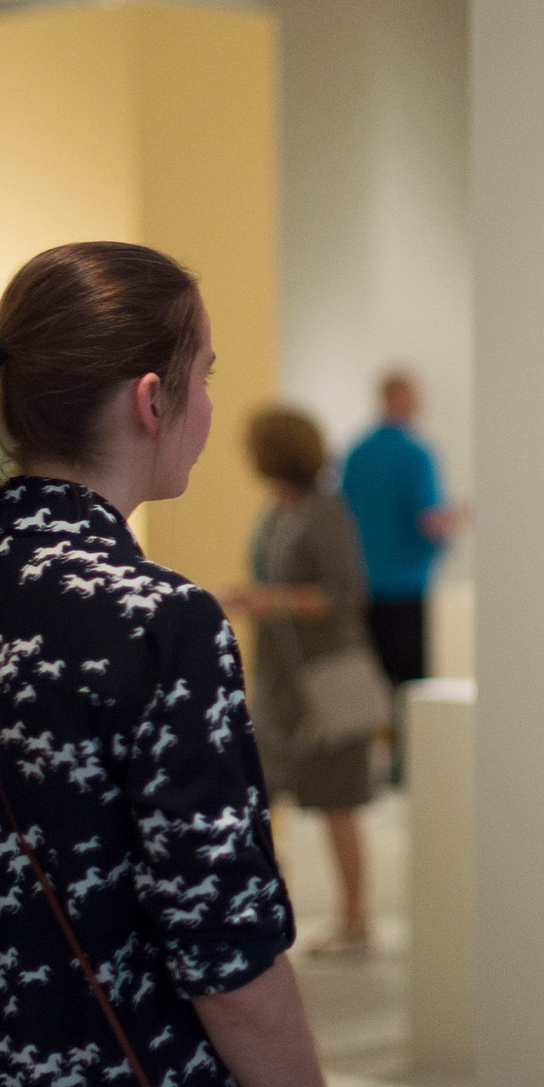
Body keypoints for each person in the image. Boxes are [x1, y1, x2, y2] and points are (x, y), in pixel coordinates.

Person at [0, 242, 328, 1087]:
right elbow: (227, 957)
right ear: (152, 399)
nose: (210, 405)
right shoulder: (162, 622)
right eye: (205, 376)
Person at [226, 408, 380, 958]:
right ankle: (262, 912)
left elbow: (344, 592)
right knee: (257, 796)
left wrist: (271, 600)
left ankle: (355, 919)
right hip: (279, 680)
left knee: (339, 802)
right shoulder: (277, 510)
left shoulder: (326, 511)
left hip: (330, 679)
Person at [338, 371, 457, 782]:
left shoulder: (356, 453)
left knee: (373, 678)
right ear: (403, 398)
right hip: (405, 586)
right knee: (409, 685)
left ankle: (372, 765)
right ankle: (408, 769)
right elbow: (430, 520)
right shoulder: (413, 454)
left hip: (365, 586)